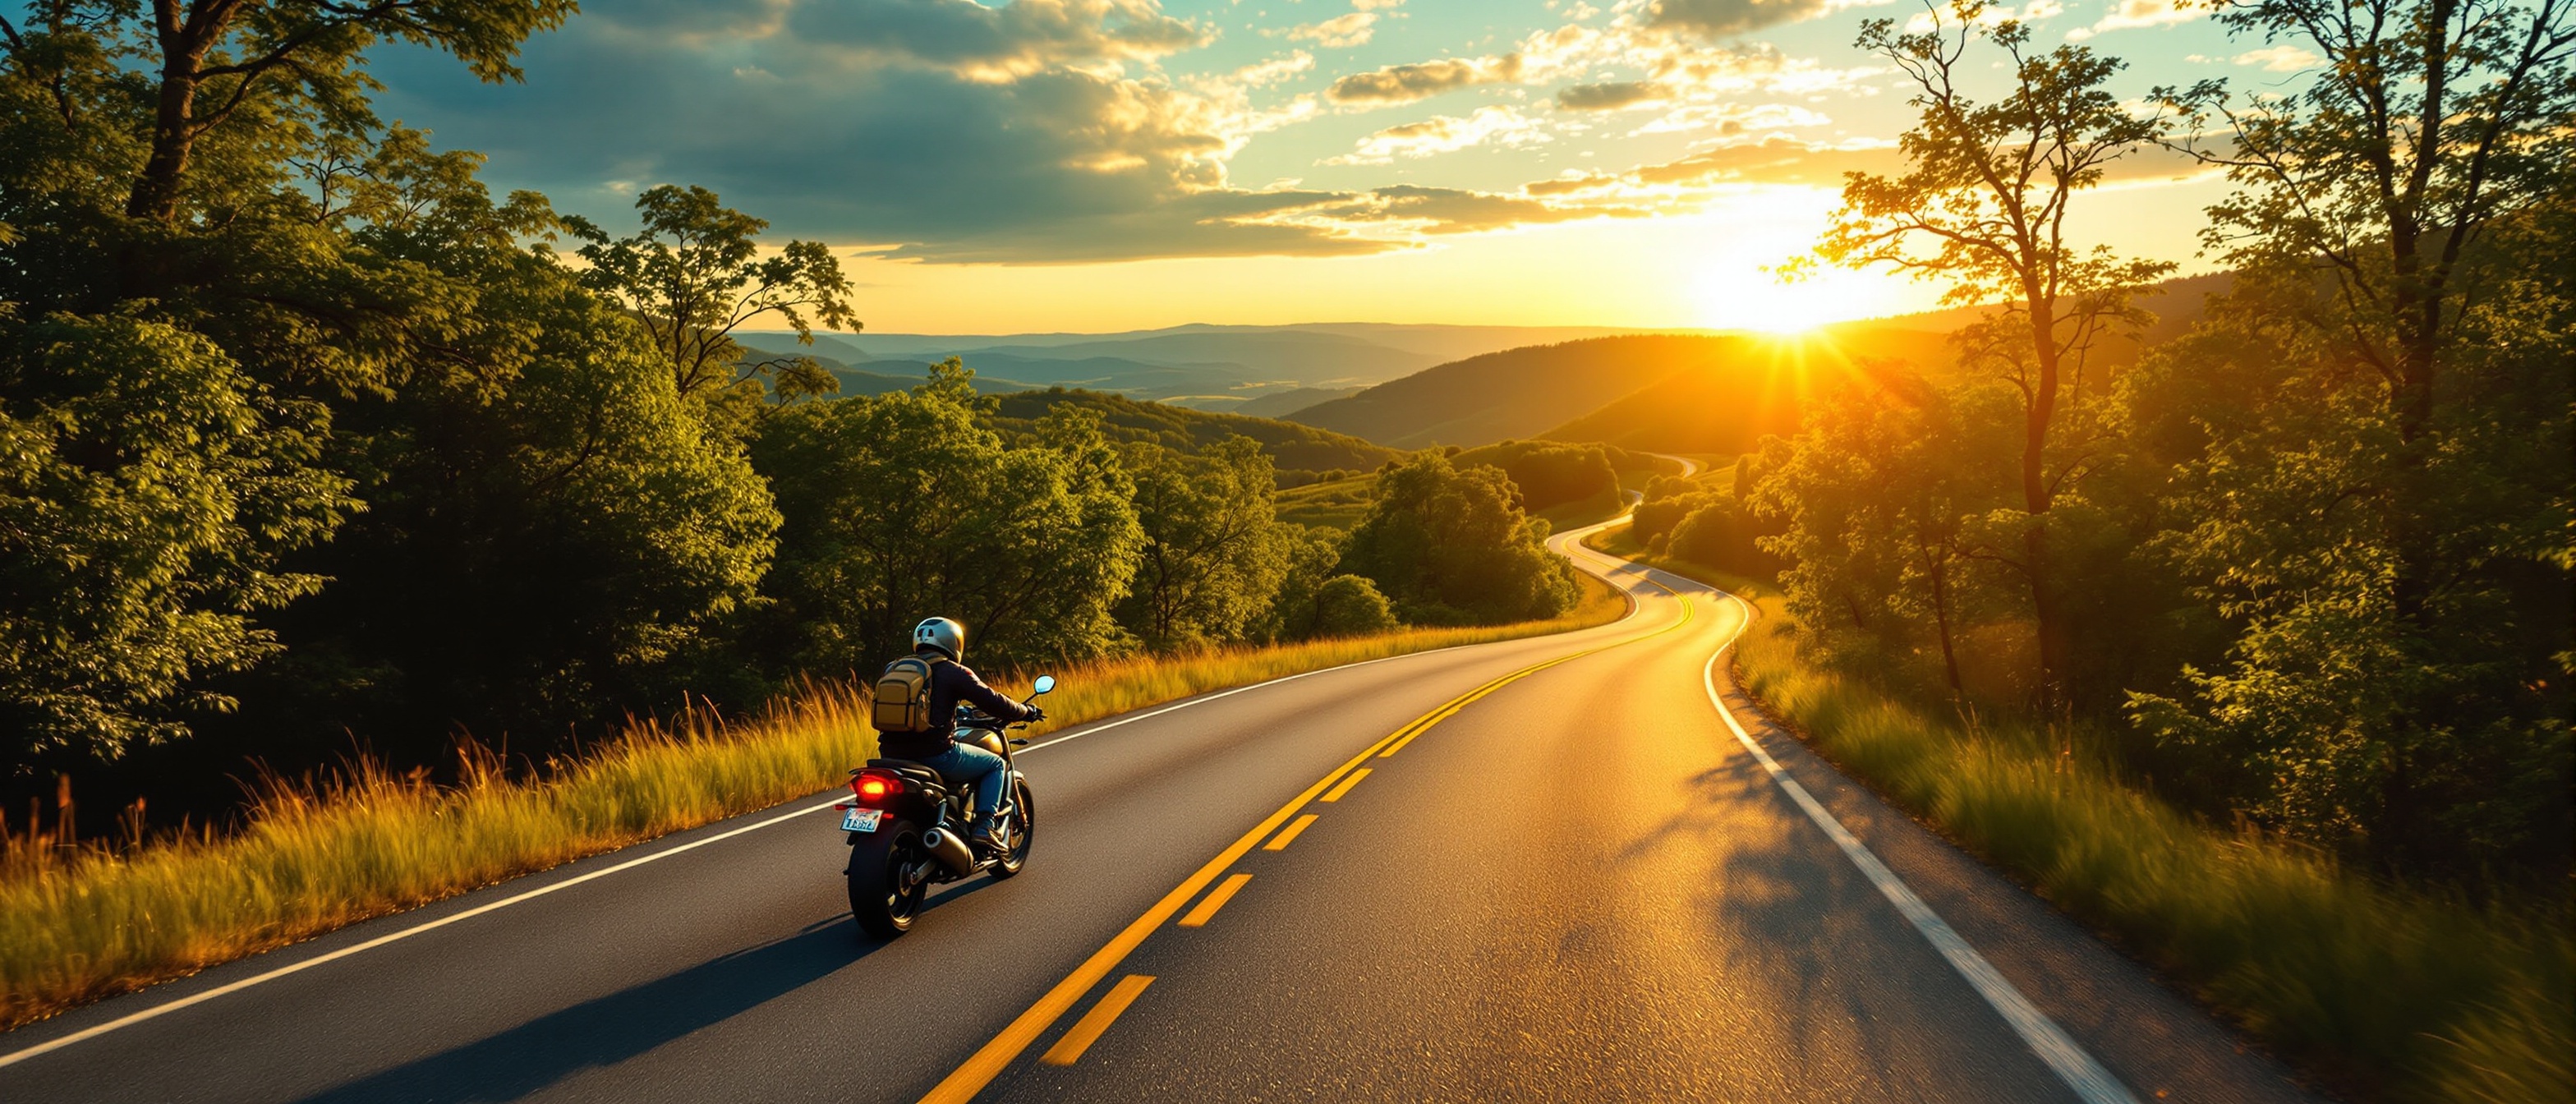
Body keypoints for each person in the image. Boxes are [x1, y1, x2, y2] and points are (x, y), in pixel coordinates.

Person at [879, 616, 1040, 849]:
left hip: (890, 756)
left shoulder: (894, 668)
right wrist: (1025, 711)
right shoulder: (953, 671)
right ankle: (985, 827)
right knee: (995, 764)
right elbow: (993, 701)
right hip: (936, 755)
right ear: (953, 642)